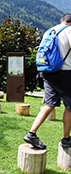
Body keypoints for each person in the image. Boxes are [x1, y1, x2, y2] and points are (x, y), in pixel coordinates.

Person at [23, 13, 71, 149]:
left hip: (47, 72)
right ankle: (66, 138)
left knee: (49, 105)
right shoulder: (70, 31)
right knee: (70, 106)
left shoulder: (50, 31)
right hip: (64, 73)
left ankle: (31, 133)